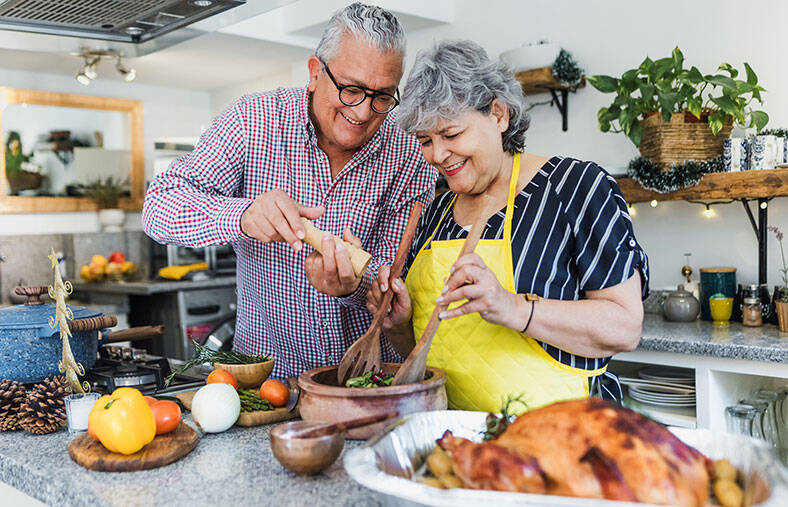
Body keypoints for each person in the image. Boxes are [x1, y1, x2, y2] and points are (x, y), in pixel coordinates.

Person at [143, 3, 436, 379]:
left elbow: (395, 277)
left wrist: (354, 286)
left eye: (382, 97)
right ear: (315, 73)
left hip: (363, 382)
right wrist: (244, 216)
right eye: (351, 90)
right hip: (264, 384)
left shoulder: (409, 151)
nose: (363, 112)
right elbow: (159, 206)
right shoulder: (252, 122)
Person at [367, 40, 649, 412]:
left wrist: (513, 307)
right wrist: (400, 325)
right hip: (456, 439)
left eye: (451, 134)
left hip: (564, 437)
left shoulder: (575, 187)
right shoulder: (435, 214)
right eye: (425, 141)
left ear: (499, 114)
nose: (437, 154)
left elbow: (624, 326)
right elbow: (428, 354)